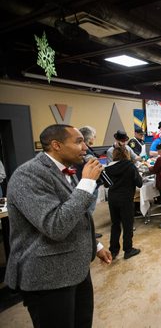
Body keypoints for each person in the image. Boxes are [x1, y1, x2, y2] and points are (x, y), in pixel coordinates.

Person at [5, 124, 112, 328]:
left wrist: (95, 246)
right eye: (78, 141)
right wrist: (87, 184)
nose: (86, 147)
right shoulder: (28, 175)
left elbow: (75, 213)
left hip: (76, 268)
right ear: (56, 145)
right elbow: (55, 225)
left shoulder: (66, 170)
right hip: (49, 277)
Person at [106, 146, 142, 260]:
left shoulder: (107, 168)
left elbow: (106, 184)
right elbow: (139, 183)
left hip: (112, 198)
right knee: (127, 225)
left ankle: (113, 250)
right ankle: (128, 249)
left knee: (115, 224)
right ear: (126, 154)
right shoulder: (130, 166)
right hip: (126, 198)